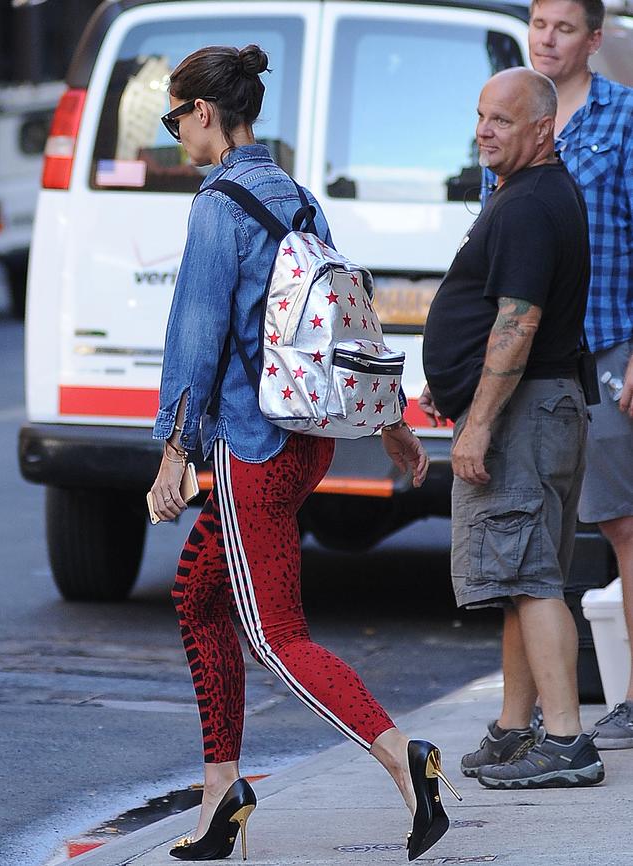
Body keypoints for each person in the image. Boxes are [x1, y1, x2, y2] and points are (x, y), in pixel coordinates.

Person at [149, 44, 459, 862]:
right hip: (307, 439)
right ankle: (224, 796)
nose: (175, 131)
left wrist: (173, 452)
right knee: (197, 593)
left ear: (205, 115)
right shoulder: (294, 193)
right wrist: (388, 418)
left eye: (174, 117)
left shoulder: (217, 204)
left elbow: (196, 335)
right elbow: (346, 320)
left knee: (276, 632)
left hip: (253, 447)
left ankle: (404, 758)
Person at [420, 66, 605, 789]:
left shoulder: (529, 203)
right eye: (479, 115)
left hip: (524, 416)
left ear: (541, 129)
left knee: (529, 580)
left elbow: (519, 321)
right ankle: (513, 726)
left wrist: (477, 426)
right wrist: (453, 383)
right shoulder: (535, 194)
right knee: (527, 578)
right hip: (543, 407)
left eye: (500, 119)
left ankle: (565, 743)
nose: (483, 129)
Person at [528, 0, 633, 751]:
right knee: (539, 532)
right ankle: (535, 708)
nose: (547, 39)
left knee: (623, 525)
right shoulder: (518, 111)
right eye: (538, 23)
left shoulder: (623, 119)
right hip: (533, 359)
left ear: (595, 39)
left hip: (607, 350)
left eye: (564, 27)